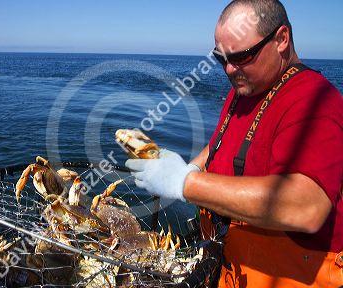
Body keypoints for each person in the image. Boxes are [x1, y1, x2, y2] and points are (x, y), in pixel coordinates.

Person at [126, 0, 343, 287]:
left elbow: (307, 207)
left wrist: (185, 183)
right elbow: (220, 144)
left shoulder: (316, 102)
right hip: (230, 264)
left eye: (241, 57)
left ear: (281, 39)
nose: (228, 69)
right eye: (220, 58)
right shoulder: (246, 89)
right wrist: (182, 167)